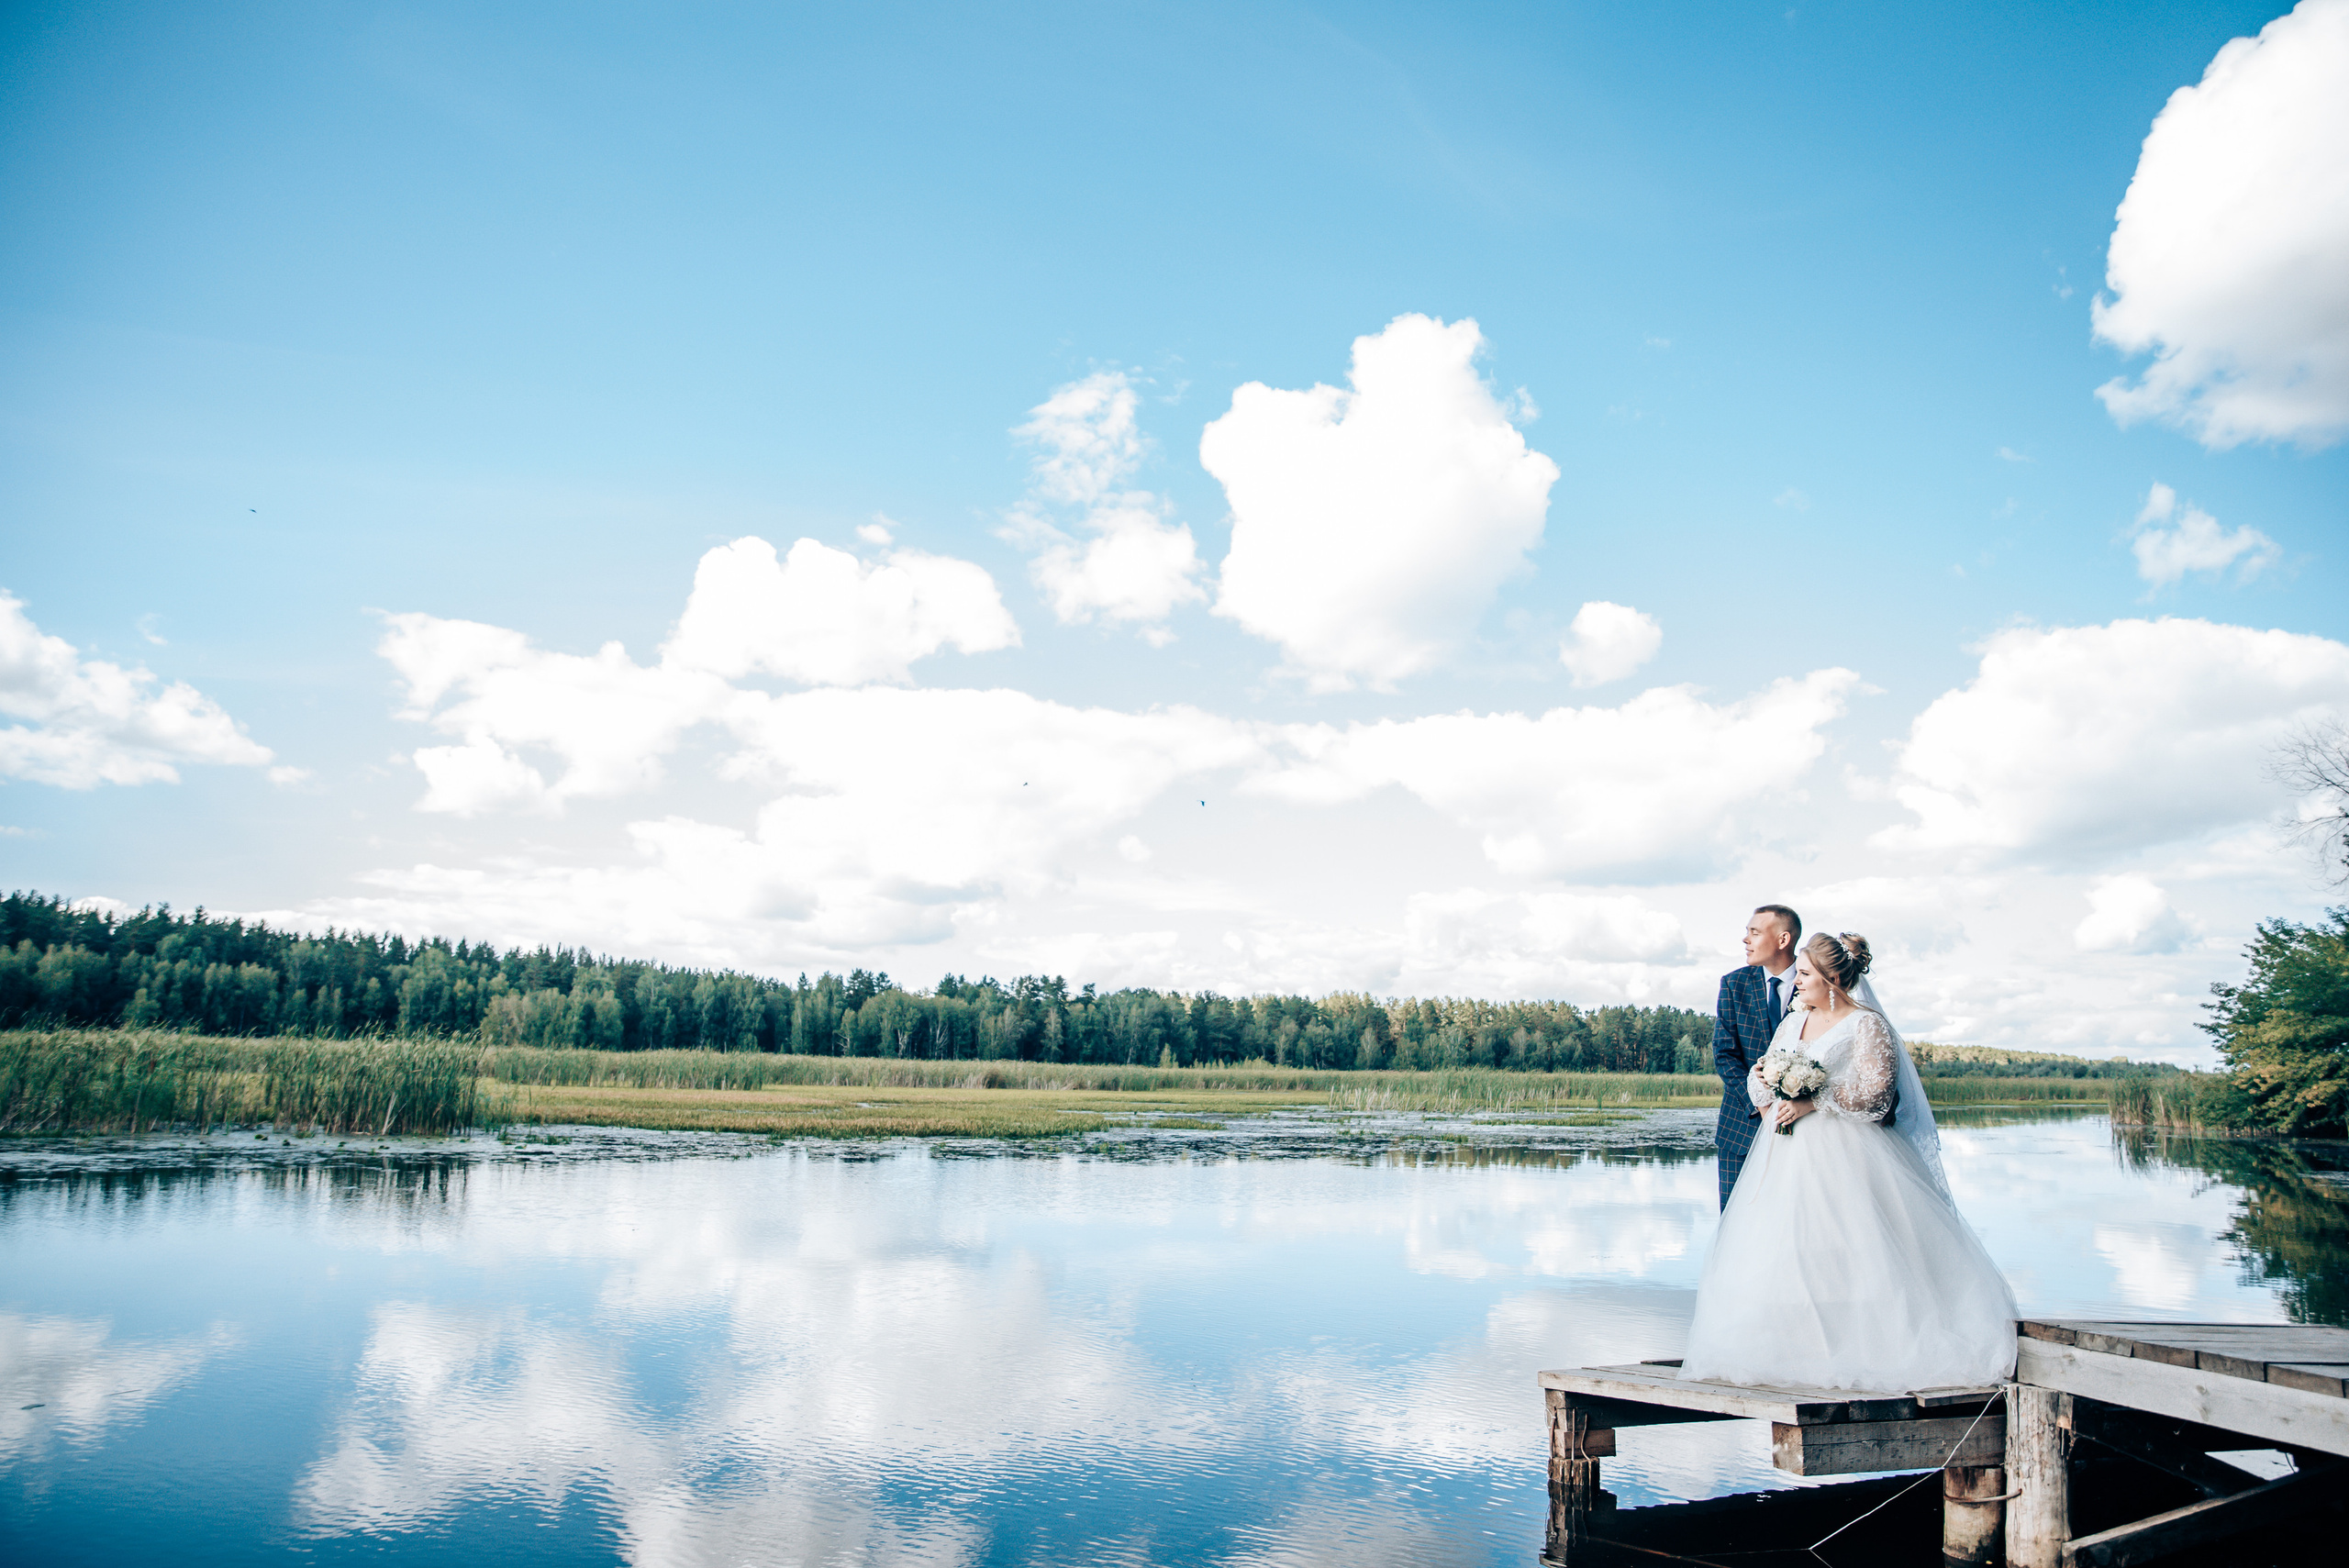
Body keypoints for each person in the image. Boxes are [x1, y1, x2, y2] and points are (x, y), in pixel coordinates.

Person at [1681, 930, 2017, 1392]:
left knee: (1857, 1246)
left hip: (1848, 1154)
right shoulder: (1793, 1021)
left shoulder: (1867, 1025)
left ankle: (1872, 1347)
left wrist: (1814, 1099)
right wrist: (1765, 1081)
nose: (1795, 983)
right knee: (1788, 1250)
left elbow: (1877, 1096)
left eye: (1803, 974)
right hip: (1786, 1153)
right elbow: (1764, 1081)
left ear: (1832, 978)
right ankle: (1795, 1350)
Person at [1710, 906, 1800, 1210]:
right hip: (1740, 1129)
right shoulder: (1733, 984)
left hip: (1805, 1131)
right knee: (1736, 1228)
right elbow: (1724, 1055)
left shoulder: (1816, 982)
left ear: (1783, 939)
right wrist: (1760, 1104)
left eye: (1754, 932)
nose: (1745, 940)